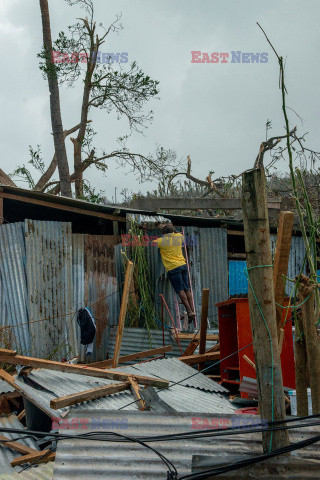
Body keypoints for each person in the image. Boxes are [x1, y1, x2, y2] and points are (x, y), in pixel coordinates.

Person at [155, 223, 195, 326]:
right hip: (183, 265)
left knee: (180, 290)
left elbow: (150, 243)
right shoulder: (179, 237)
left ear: (164, 233)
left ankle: (189, 311)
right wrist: (168, 229)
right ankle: (192, 311)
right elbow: (176, 232)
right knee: (187, 289)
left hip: (173, 268)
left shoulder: (161, 241)